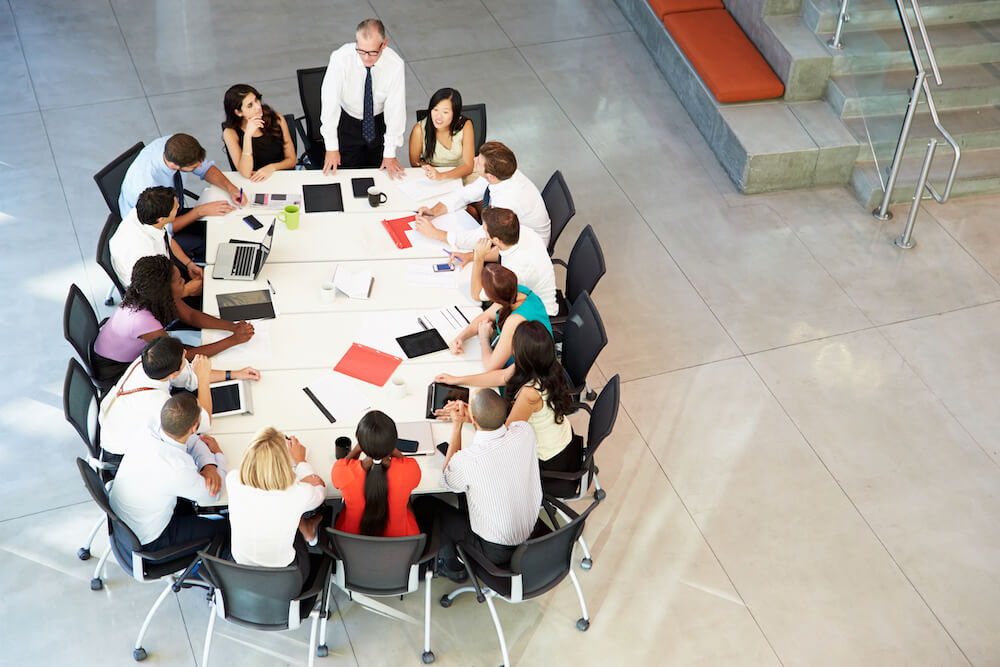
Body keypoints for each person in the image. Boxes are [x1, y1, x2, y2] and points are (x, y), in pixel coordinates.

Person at [413, 389, 542, 582]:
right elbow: (496, 434)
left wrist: (457, 426)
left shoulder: (469, 460)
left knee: (423, 503)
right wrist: (478, 418)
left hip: (495, 552)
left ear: (473, 420)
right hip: (532, 533)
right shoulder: (524, 431)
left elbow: (448, 480)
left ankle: (453, 566)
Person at [108, 392, 229, 559]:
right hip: (152, 542)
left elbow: (193, 440)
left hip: (131, 524)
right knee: (228, 525)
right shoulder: (176, 468)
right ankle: (209, 572)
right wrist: (218, 456)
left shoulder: (150, 427)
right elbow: (214, 493)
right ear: (194, 426)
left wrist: (209, 466)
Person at [92, 255, 254, 377]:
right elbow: (182, 356)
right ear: (164, 291)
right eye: (178, 281)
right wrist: (233, 340)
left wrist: (232, 327)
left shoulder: (154, 296)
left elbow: (190, 315)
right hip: (114, 368)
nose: (183, 280)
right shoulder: (142, 321)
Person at [99, 336, 260, 456]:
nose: (185, 353)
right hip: (119, 445)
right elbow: (203, 423)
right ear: (173, 374)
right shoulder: (159, 404)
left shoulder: (149, 361)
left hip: (117, 415)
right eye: (184, 357)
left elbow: (190, 376)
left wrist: (234, 374)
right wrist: (203, 379)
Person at [118, 133, 247, 262]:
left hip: (170, 212)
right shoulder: (147, 186)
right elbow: (161, 227)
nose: (200, 166)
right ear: (175, 166)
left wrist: (231, 189)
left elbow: (205, 169)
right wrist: (199, 211)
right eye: (194, 167)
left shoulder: (174, 146)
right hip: (152, 231)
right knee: (211, 242)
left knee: (219, 223)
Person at [227, 427, 326, 590]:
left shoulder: (233, 480)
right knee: (295, 510)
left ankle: (307, 529)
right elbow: (320, 490)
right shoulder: (296, 493)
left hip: (241, 572)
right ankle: (308, 530)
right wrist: (301, 462)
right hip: (288, 578)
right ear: (283, 463)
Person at [413, 141, 550, 248]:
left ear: (490, 176)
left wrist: (436, 234)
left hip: (524, 248)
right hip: (508, 232)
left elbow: (482, 237)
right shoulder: (501, 173)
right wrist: (434, 211)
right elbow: (468, 192)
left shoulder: (508, 201)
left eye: (479, 161)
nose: (474, 159)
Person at [320, 18, 406, 178]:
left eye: (373, 52)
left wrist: (390, 152)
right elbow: (329, 102)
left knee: (379, 176)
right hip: (347, 122)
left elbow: (395, 109)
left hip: (377, 123)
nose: (366, 58)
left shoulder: (395, 64)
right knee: (346, 176)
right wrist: (331, 147)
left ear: (384, 44)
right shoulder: (341, 58)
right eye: (361, 51)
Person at [331, 411, 421, 537]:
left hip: (351, 544)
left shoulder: (342, 471)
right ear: (393, 441)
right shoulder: (409, 470)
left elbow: (344, 463)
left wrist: (357, 448)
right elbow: (404, 461)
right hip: (401, 544)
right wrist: (388, 448)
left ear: (359, 440)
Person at [447, 263, 551, 372]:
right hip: (525, 360)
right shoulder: (515, 291)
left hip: (529, 373)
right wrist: (461, 337)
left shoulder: (515, 320)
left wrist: (484, 337)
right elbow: (485, 316)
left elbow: (490, 366)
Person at [109, 186, 202, 296]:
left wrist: (189, 264)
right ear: (161, 219)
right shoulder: (144, 253)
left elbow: (168, 240)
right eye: (175, 208)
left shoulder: (149, 213)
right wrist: (186, 291)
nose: (179, 206)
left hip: (165, 273)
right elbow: (152, 294)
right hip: (151, 294)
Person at [464, 207, 557, 316]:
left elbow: (476, 294)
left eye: (485, 230)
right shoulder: (521, 231)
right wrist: (469, 256)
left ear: (496, 240)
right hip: (531, 296)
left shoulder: (513, 272)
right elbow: (501, 249)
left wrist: (478, 258)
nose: (483, 233)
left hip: (537, 316)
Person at [222, 84, 297, 181]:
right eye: (250, 105)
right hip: (254, 181)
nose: (258, 107)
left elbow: (292, 160)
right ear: (238, 112)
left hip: (280, 176)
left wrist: (271, 168)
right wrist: (247, 136)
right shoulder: (230, 133)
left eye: (256, 100)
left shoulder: (277, 120)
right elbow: (245, 172)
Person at [407, 87, 474, 182]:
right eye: (435, 110)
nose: (438, 117)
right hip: (433, 176)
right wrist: (435, 172)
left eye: (445, 112)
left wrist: (442, 175)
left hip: (462, 175)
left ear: (455, 114)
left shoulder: (465, 125)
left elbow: (468, 166)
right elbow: (415, 162)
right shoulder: (419, 129)